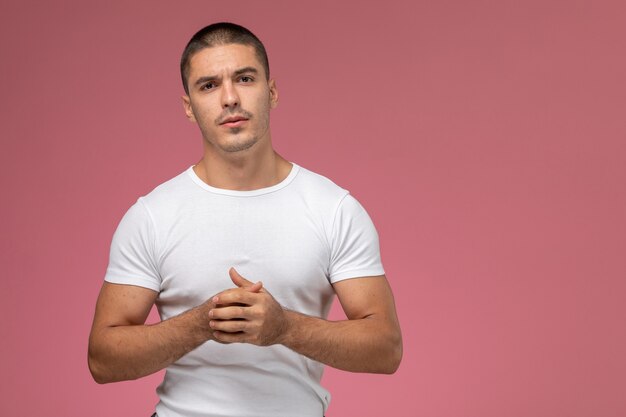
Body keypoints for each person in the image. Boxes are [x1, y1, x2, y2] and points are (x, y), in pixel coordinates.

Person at [88, 22, 402, 417]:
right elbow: (102, 359)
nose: (230, 98)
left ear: (271, 91)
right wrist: (202, 324)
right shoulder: (151, 216)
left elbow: (386, 347)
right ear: (189, 107)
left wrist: (284, 327)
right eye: (208, 86)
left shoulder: (333, 209)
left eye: (245, 78)